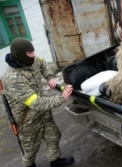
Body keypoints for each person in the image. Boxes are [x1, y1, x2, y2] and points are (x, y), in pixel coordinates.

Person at [2, 38, 74, 167]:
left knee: (53, 136)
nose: (34, 55)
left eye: (33, 51)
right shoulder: (13, 78)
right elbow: (36, 103)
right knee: (30, 150)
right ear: (20, 55)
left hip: (43, 114)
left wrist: (49, 77)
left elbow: (42, 63)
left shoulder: (31, 61)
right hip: (27, 120)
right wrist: (62, 97)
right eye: (30, 53)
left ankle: (55, 160)